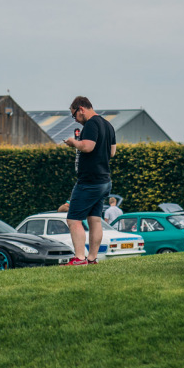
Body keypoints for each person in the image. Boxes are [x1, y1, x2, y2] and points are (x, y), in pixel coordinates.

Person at [62, 96, 116, 265]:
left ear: (81, 109)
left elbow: (88, 146)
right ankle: (92, 258)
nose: (76, 120)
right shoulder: (108, 125)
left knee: (73, 219)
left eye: (75, 116)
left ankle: (79, 258)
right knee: (94, 219)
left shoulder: (91, 124)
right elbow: (112, 152)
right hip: (104, 180)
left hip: (89, 181)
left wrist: (74, 143)